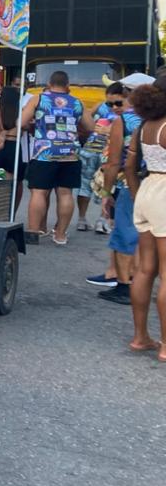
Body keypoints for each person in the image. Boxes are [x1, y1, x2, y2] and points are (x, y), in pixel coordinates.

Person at [124, 73, 166, 359]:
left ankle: (141, 337)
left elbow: (128, 166)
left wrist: (138, 194)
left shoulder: (144, 126)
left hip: (147, 190)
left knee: (145, 269)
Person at [23, 70, 90, 246]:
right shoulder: (77, 102)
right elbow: (90, 126)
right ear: (68, 86)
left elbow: (21, 122)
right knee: (66, 193)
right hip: (69, 154)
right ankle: (60, 235)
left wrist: (34, 127)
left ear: (49, 84)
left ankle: (33, 232)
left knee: (38, 192)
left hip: (44, 152)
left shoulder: (38, 99)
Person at [100, 74, 151, 303]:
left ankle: (125, 285)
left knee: (125, 233)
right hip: (158, 185)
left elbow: (114, 162)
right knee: (148, 237)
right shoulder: (157, 118)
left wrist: (106, 191)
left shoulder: (124, 121)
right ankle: (143, 283)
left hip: (131, 184)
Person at [76, 83, 123, 233]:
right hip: (99, 151)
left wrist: (101, 128)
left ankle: (91, 220)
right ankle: (93, 220)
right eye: (109, 103)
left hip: (99, 151)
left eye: (116, 102)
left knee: (97, 185)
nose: (112, 106)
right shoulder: (116, 110)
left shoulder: (105, 107)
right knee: (99, 185)